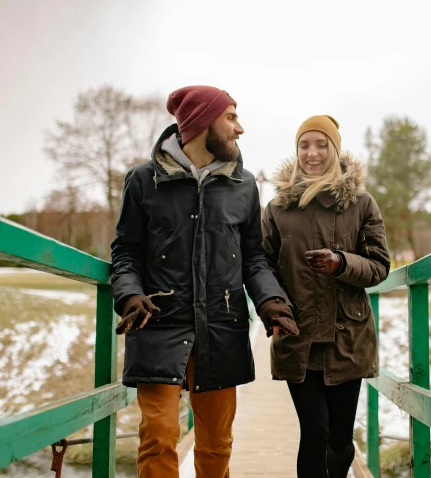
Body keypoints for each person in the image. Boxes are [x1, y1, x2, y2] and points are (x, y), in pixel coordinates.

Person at [111, 85, 299, 478]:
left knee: (216, 445)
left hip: (221, 326)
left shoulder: (244, 185)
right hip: (158, 321)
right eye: (231, 117)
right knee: (159, 437)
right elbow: (125, 251)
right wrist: (129, 295)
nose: (240, 128)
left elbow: (254, 258)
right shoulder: (144, 181)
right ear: (201, 123)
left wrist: (271, 301)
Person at [261, 115, 390, 478]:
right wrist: (273, 307)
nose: (311, 153)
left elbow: (380, 266)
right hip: (296, 333)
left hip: (347, 336)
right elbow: (261, 266)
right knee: (314, 432)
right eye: (304, 144)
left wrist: (341, 263)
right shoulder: (277, 208)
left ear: (335, 149)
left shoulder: (362, 203)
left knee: (338, 439)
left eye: (321, 144)